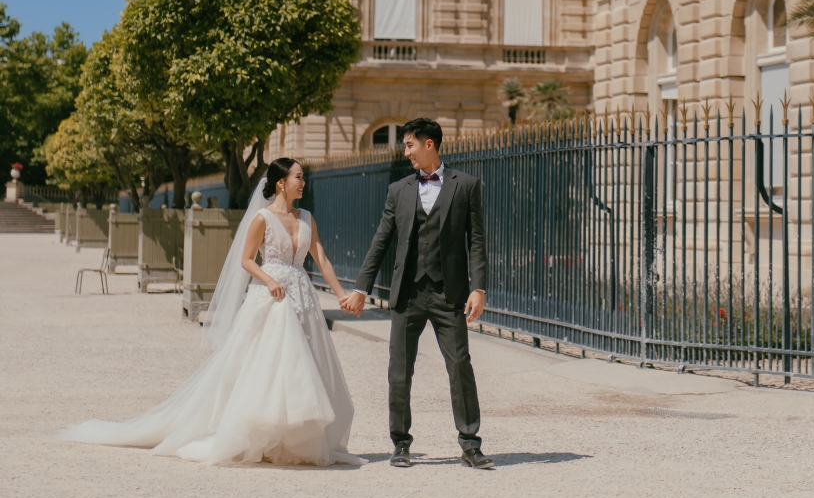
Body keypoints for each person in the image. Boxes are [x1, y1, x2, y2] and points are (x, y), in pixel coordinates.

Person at [62, 159, 365, 467]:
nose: (303, 182)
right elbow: (246, 260)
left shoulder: (306, 218)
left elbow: (322, 258)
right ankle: (260, 437)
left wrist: (342, 295)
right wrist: (269, 279)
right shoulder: (262, 218)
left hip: (302, 296)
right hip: (272, 298)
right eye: (299, 177)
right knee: (267, 366)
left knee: (303, 365)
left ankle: (291, 439)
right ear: (281, 183)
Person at [341, 117, 492, 469]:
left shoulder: (467, 185)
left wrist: (479, 287)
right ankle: (401, 443)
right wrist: (361, 288)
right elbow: (381, 240)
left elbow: (478, 240)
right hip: (407, 294)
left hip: (449, 293)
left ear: (429, 144)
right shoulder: (399, 190)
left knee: (460, 367)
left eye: (409, 144)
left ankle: (470, 445)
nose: (405, 151)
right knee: (399, 371)